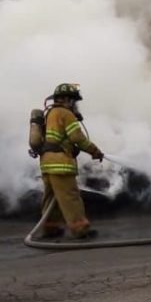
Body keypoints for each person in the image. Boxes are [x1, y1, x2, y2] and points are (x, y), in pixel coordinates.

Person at [38, 83, 104, 239]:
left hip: (47, 163)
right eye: (74, 101)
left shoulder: (50, 113)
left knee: (51, 199)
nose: (75, 105)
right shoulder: (66, 114)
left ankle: (50, 229)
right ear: (67, 99)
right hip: (60, 163)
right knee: (70, 198)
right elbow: (77, 137)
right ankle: (80, 229)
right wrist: (95, 151)